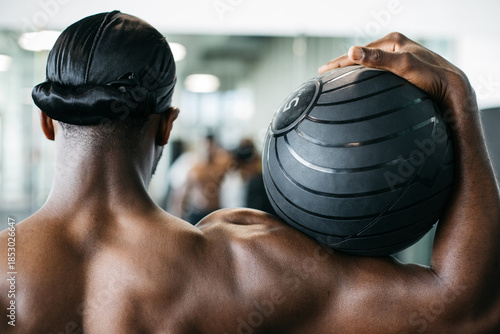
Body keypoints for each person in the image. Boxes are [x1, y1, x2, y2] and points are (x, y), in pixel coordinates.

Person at [0, 10, 498, 333]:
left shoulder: (7, 267)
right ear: (166, 126)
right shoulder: (241, 264)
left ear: (47, 121)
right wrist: (457, 97)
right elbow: (465, 309)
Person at [181, 134, 233, 224]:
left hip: (216, 212)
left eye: (211, 146)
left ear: (215, 147)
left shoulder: (221, 166)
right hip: (198, 212)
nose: (209, 149)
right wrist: (181, 216)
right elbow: (185, 194)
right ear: (202, 146)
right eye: (206, 146)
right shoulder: (194, 169)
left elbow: (236, 164)